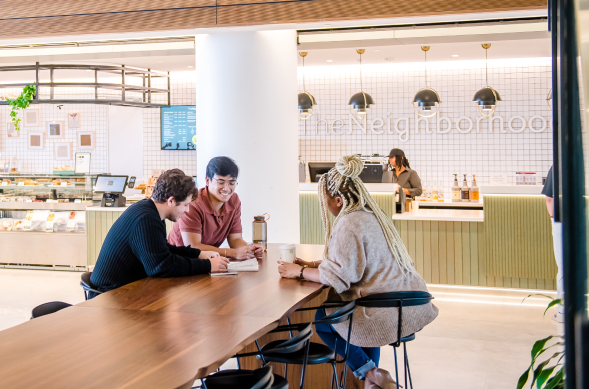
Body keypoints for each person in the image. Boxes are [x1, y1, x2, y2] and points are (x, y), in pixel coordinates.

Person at [278, 156, 438, 389]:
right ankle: (371, 381)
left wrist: (299, 272)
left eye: (325, 202)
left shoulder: (348, 222)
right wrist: (314, 264)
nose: (326, 207)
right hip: (409, 303)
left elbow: (339, 278)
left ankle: (370, 373)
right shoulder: (373, 216)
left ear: (338, 199)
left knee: (324, 320)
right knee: (360, 318)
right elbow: (356, 261)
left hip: (384, 310)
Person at [90, 168, 229, 295]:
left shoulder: (150, 210)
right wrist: (208, 265)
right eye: (185, 205)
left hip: (123, 289)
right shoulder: (146, 218)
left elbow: (162, 250)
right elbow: (160, 266)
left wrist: (199, 254)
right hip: (109, 296)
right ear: (171, 201)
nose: (187, 210)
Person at [167, 156, 263, 260]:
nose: (226, 188)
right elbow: (193, 247)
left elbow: (235, 239)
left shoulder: (234, 200)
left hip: (208, 262)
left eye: (231, 183)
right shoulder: (193, 203)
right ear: (207, 180)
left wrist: (250, 249)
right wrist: (234, 253)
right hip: (180, 261)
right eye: (221, 182)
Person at [541, 166, 565, 323]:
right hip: (581, 218)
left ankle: (563, 312)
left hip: (561, 221)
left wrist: (552, 218)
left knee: (563, 267)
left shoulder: (558, 165)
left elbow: (550, 199)